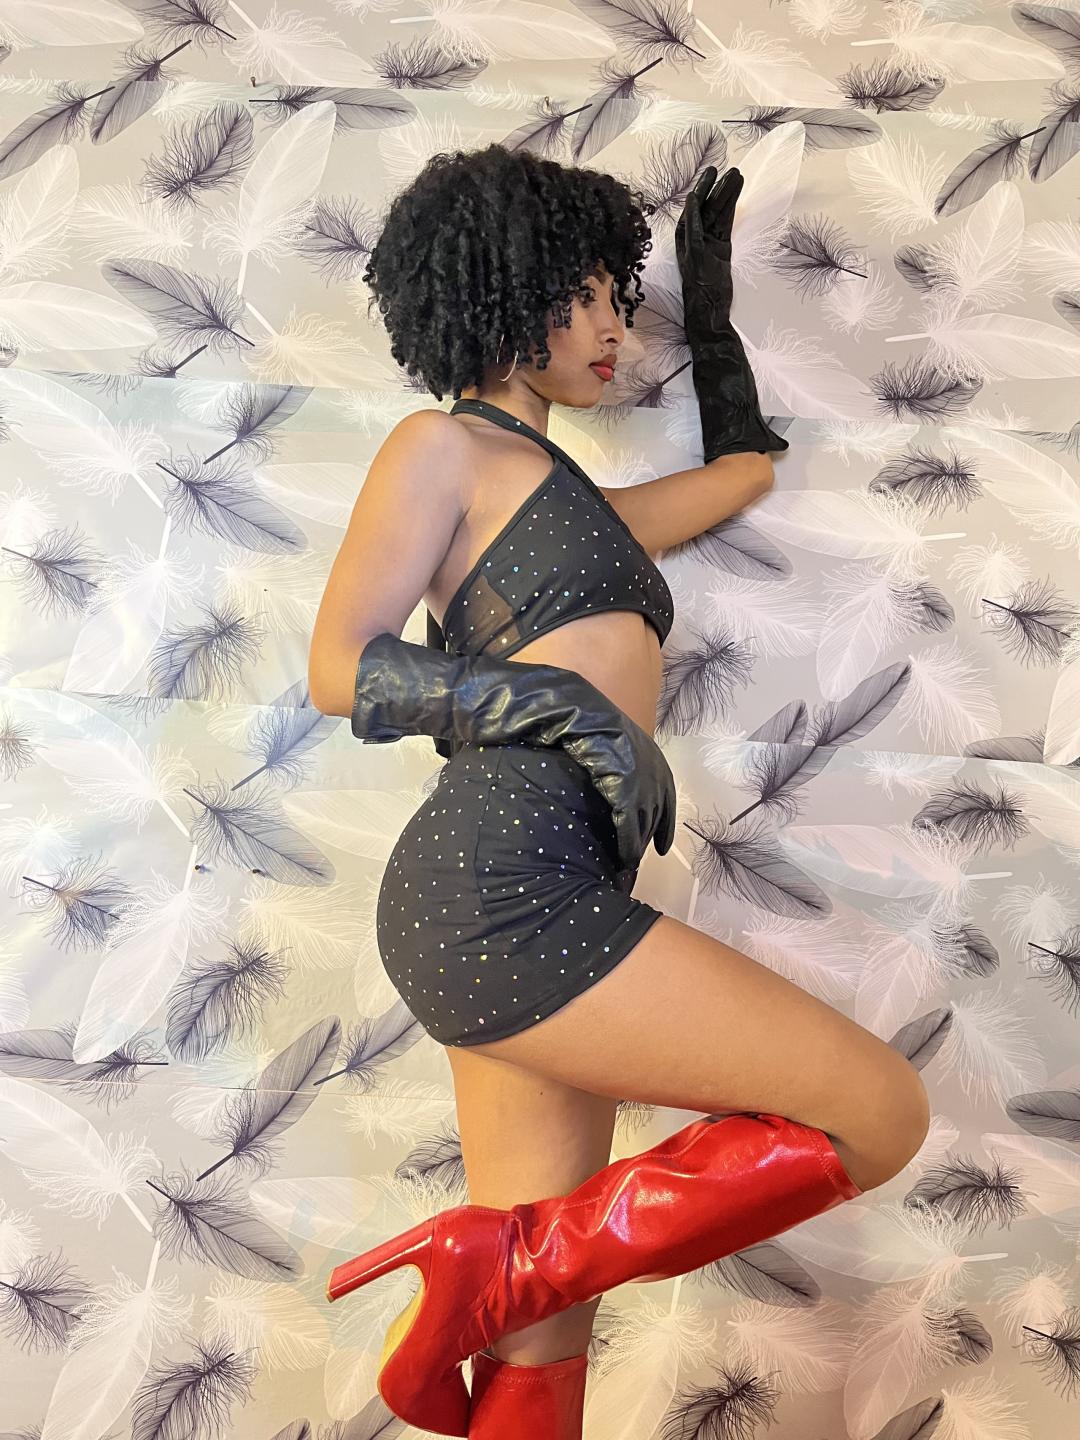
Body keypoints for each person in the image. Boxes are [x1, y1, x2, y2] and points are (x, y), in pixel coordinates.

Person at [307, 144, 930, 1439]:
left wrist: (712, 317)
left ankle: (501, 1270)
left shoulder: (585, 504)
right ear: (502, 289)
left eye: (619, 296)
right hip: (495, 883)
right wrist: (570, 708)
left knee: (543, 1340)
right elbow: (339, 667)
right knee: (880, 1112)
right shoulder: (442, 448)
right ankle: (497, 1264)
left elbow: (746, 470)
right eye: (584, 295)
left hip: (556, 885)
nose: (611, 327)